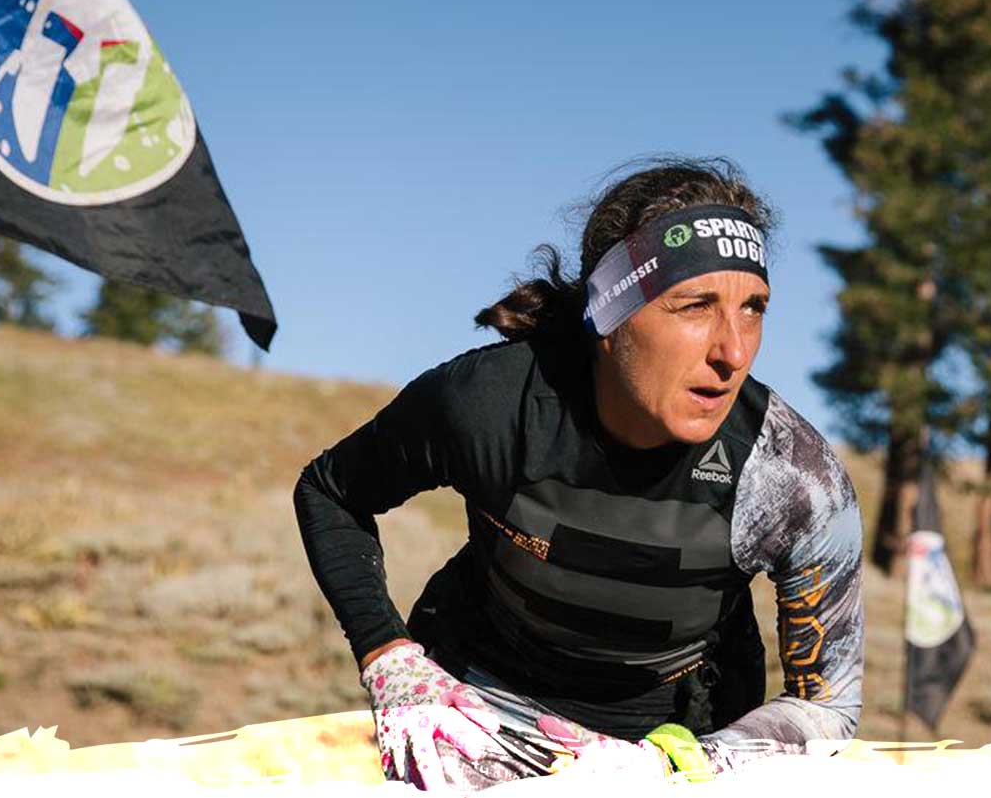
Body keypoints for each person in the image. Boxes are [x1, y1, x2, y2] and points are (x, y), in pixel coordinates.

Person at [294, 157, 864, 790]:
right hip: (474, 711)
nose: (733, 350)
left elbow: (828, 705)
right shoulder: (493, 405)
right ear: (609, 316)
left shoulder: (790, 473)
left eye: (753, 308)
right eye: (695, 305)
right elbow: (330, 491)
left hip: (677, 740)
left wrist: (687, 761)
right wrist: (389, 657)